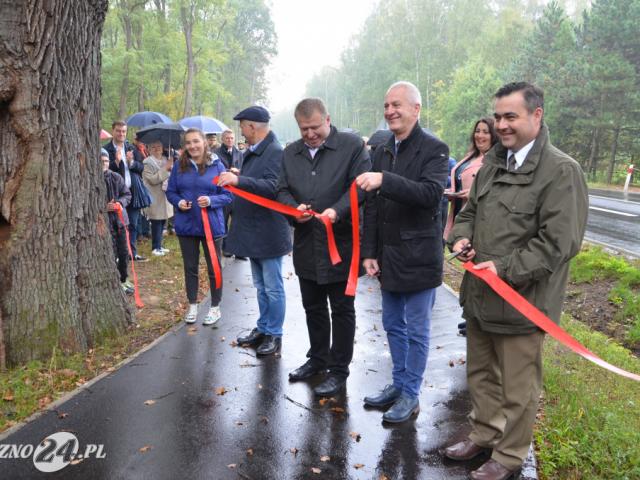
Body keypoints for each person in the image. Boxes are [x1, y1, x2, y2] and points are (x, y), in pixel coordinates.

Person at [444, 82, 588, 480]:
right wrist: (462, 237)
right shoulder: (493, 161)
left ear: (536, 115)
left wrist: (503, 269)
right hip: (480, 297)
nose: (501, 125)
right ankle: (484, 432)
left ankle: (508, 456)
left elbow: (558, 245)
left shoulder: (561, 171)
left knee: (518, 389)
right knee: (480, 374)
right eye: (499, 116)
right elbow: (470, 211)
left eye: (511, 116)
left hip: (522, 304)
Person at [357, 81, 449, 423]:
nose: (390, 111)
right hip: (388, 257)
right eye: (386, 105)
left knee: (417, 330)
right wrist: (369, 252)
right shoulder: (382, 150)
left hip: (420, 258)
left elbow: (430, 194)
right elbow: (373, 208)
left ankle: (411, 393)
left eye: (397, 104)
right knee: (392, 324)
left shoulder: (435, 149)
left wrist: (385, 180)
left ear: (416, 108)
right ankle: (398, 384)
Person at [276, 98, 370, 397]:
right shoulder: (291, 153)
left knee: (341, 309)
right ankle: (317, 359)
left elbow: (359, 187)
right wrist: (293, 209)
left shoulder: (352, 146)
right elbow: (280, 189)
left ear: (327, 119)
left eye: (315, 127)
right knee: (313, 307)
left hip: (340, 243)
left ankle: (339, 369)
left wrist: (337, 211)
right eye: (304, 129)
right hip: (306, 245)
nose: (310, 134)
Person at [217, 106, 292, 356]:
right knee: (260, 285)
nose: (241, 132)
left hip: (269, 231)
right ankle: (263, 327)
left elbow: (273, 187)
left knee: (273, 286)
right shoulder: (257, 151)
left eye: (243, 127)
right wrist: (243, 175)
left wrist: (240, 180)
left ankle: (275, 334)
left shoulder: (275, 152)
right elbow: (258, 180)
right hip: (255, 230)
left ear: (252, 126)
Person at [166, 128, 233, 326]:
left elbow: (228, 195)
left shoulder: (217, 165)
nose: (192, 146)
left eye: (196, 141)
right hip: (187, 225)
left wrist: (211, 200)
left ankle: (215, 307)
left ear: (204, 142)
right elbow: (171, 192)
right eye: (188, 143)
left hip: (212, 226)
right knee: (190, 267)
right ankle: (193, 305)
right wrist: (178, 203)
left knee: (214, 267)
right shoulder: (179, 166)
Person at [443, 117, 498, 240]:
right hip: (459, 214)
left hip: (479, 219)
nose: (479, 135)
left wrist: (473, 194)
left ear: (494, 136)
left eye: (485, 132)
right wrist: (452, 193)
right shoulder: (470, 156)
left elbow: (499, 192)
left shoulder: (496, 161)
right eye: (477, 131)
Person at [104, 120, 151, 261]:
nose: (121, 134)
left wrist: (131, 162)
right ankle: (119, 254)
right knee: (118, 225)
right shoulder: (107, 150)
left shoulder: (130, 147)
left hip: (133, 192)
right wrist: (116, 163)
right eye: (118, 131)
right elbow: (104, 170)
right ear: (113, 131)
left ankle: (132, 252)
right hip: (117, 194)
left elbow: (141, 167)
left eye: (124, 131)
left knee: (134, 224)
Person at [101, 150, 133, 295]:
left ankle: (124, 279)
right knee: (111, 252)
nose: (104, 164)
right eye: (101, 161)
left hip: (120, 221)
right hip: (105, 223)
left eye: (106, 161)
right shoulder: (92, 180)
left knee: (124, 251)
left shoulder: (116, 177)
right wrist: (103, 206)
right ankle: (114, 282)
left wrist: (120, 203)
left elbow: (127, 194)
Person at [142, 140, 174, 256]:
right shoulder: (147, 162)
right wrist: (166, 168)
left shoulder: (166, 159)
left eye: (159, 146)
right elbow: (152, 179)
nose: (157, 149)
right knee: (155, 221)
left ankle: (160, 246)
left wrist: (171, 167)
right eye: (153, 147)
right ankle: (155, 247)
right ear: (149, 149)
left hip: (164, 195)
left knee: (162, 220)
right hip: (154, 195)